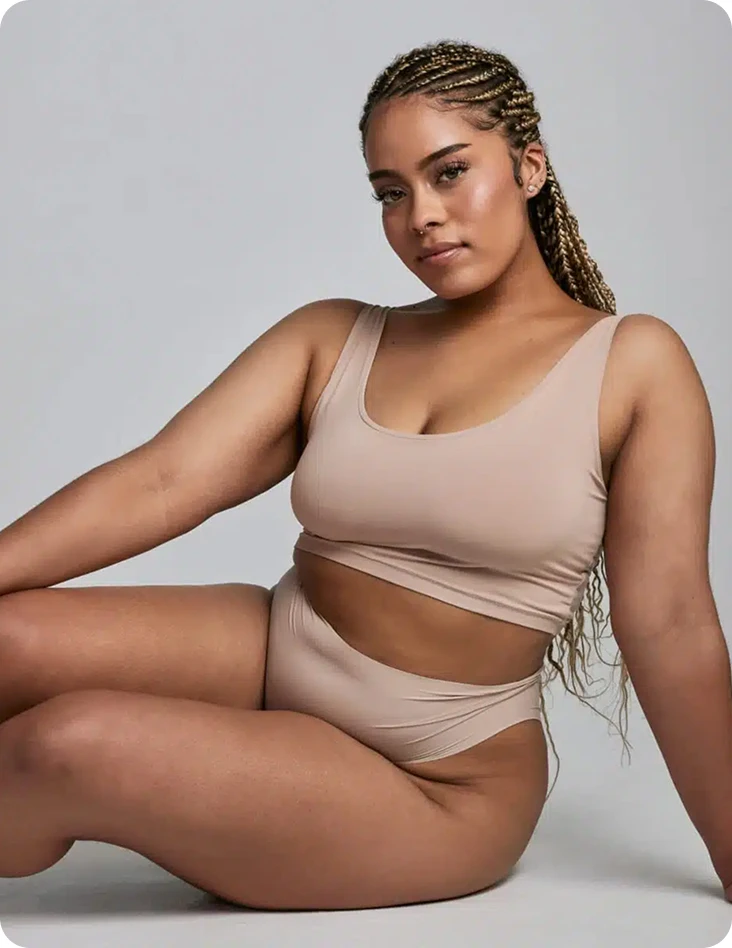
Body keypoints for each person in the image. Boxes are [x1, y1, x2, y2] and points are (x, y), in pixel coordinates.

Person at [0, 39, 728, 911]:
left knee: (64, 748)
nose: (420, 214)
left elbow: (673, 625)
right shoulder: (334, 335)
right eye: (392, 192)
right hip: (276, 650)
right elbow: (160, 482)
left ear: (530, 166)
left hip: (436, 782)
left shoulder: (633, 365)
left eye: (449, 172)